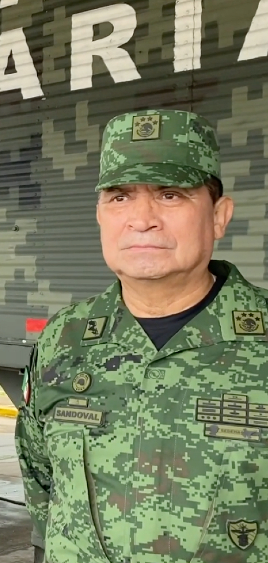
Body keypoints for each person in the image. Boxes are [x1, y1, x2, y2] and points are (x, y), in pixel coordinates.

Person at [15, 108, 268, 562]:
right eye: (119, 197)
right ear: (99, 214)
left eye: (170, 195)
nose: (142, 218)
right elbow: (43, 482)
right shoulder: (65, 339)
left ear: (219, 217)